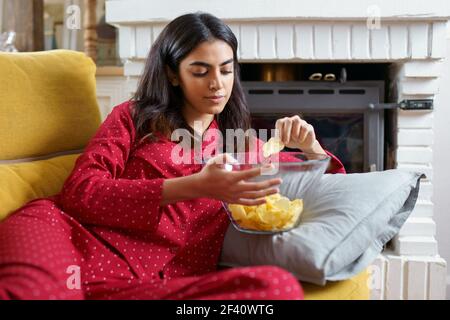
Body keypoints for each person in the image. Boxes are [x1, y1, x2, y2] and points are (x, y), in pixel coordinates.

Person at [0, 12, 345, 300]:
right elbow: (81, 191)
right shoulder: (133, 117)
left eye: (226, 70)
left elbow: (331, 189)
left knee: (274, 289)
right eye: (200, 71)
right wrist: (194, 186)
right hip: (67, 237)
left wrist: (310, 147)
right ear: (172, 73)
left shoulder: (245, 150)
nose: (217, 84)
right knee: (41, 294)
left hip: (146, 284)